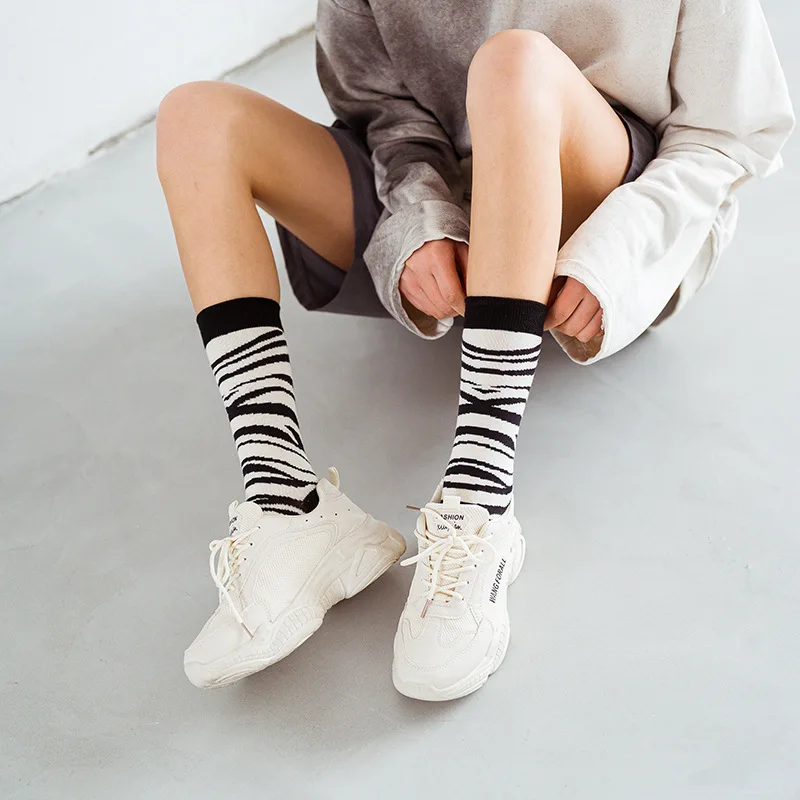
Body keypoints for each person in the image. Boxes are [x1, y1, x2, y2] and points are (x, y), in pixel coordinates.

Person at [156, 0, 793, 700]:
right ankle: (288, 504)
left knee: (514, 63)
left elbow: (729, 132)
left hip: (599, 204)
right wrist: (419, 220)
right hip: (436, 205)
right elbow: (382, 110)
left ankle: (480, 501)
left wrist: (616, 250)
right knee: (197, 117)